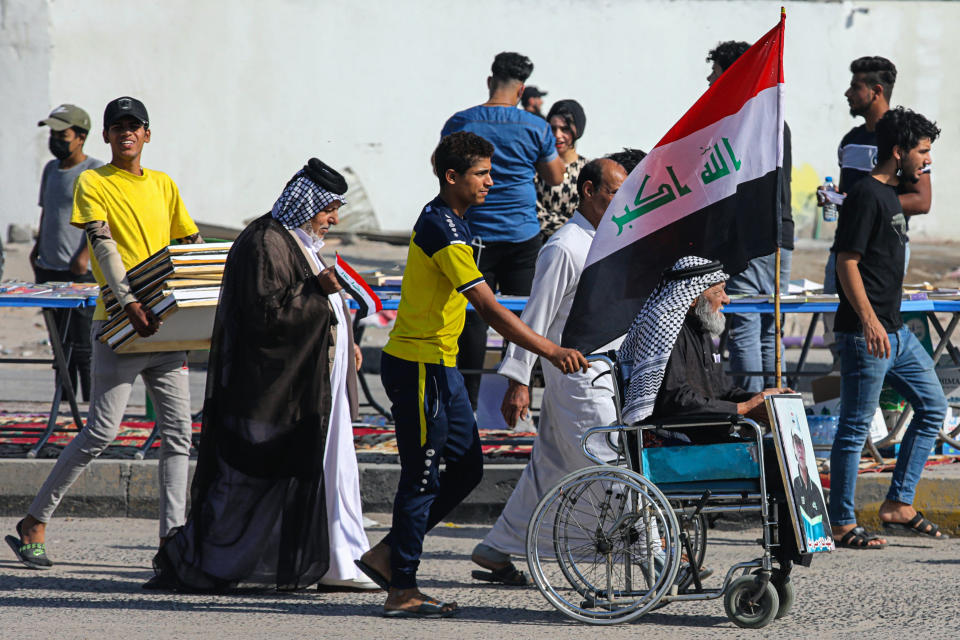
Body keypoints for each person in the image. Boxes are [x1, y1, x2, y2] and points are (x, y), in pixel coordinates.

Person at [355, 132, 587, 618]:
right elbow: (487, 305)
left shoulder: (455, 221)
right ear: (452, 176)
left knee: (466, 469)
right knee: (420, 478)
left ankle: (388, 554)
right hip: (419, 367)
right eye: (482, 173)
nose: (491, 181)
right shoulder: (442, 227)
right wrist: (550, 349)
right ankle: (402, 588)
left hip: (441, 367)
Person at [146, 159, 378, 592]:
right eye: (328, 209)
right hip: (273, 392)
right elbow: (265, 319)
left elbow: (310, 301)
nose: (333, 219)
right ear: (305, 203)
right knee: (247, 484)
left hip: (310, 389)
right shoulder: (265, 242)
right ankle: (209, 563)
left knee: (332, 475)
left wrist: (344, 338)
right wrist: (318, 293)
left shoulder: (296, 240)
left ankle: (340, 561)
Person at [6, 96, 201, 570]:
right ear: (108, 137)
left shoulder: (164, 185)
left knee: (178, 435)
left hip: (165, 328)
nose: (127, 133)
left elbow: (189, 244)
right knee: (99, 433)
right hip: (118, 324)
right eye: (119, 127)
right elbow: (103, 244)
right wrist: (129, 300)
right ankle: (34, 520)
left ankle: (170, 544)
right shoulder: (92, 182)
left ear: (147, 135)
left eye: (135, 126)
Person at [471, 157, 629, 585]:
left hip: (603, 376)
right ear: (589, 190)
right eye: (614, 192)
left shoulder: (609, 240)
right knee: (612, 464)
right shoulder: (565, 247)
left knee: (549, 467)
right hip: (578, 378)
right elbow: (534, 320)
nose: (620, 202)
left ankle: (496, 548)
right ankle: (659, 555)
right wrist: (518, 381)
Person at [830, 107, 948, 548]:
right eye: (922, 151)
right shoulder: (865, 195)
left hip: (896, 333)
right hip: (868, 334)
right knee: (855, 427)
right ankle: (841, 521)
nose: (927, 161)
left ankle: (898, 503)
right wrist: (869, 321)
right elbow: (847, 262)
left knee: (933, 406)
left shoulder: (891, 196)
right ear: (898, 152)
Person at [441, 51, 565, 409]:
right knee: (524, 320)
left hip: (472, 233)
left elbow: (439, 165)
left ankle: (465, 406)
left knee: (473, 322)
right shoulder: (535, 127)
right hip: (522, 233)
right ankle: (518, 399)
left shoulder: (461, 122)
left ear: (489, 81)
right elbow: (554, 177)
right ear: (522, 89)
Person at [820, 57, 932, 358]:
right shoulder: (851, 140)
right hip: (848, 243)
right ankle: (844, 386)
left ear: (876, 91)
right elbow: (852, 196)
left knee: (876, 328)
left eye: (856, 87)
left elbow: (922, 200)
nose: (847, 93)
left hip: (884, 248)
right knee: (837, 325)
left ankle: (875, 392)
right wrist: (834, 197)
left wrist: (871, 206)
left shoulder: (903, 136)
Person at [705, 40, 794, 392]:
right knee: (770, 327)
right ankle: (775, 411)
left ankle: (756, 413)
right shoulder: (773, 118)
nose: (709, 83)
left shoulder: (743, 121)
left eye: (715, 77)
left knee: (747, 323)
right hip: (777, 236)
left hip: (752, 238)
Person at [618, 256, 786, 434]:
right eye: (718, 292)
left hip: (705, 434)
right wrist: (742, 408)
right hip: (672, 440)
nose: (726, 299)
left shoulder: (700, 327)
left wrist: (762, 399)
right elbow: (676, 400)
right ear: (692, 298)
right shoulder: (667, 330)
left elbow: (723, 391)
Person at [32, 104, 104, 401]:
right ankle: (64, 400)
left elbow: (100, 220)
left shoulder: (94, 171)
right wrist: (36, 250)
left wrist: (84, 255)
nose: (56, 140)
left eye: (62, 134)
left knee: (83, 342)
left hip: (79, 270)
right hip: (48, 267)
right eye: (52, 134)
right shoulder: (50, 169)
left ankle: (89, 403)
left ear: (81, 137)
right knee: (58, 343)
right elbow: (47, 212)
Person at [536, 99, 588, 238]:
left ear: (578, 130)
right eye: (553, 128)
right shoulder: (536, 167)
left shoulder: (589, 170)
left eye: (565, 129)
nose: (557, 135)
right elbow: (532, 212)